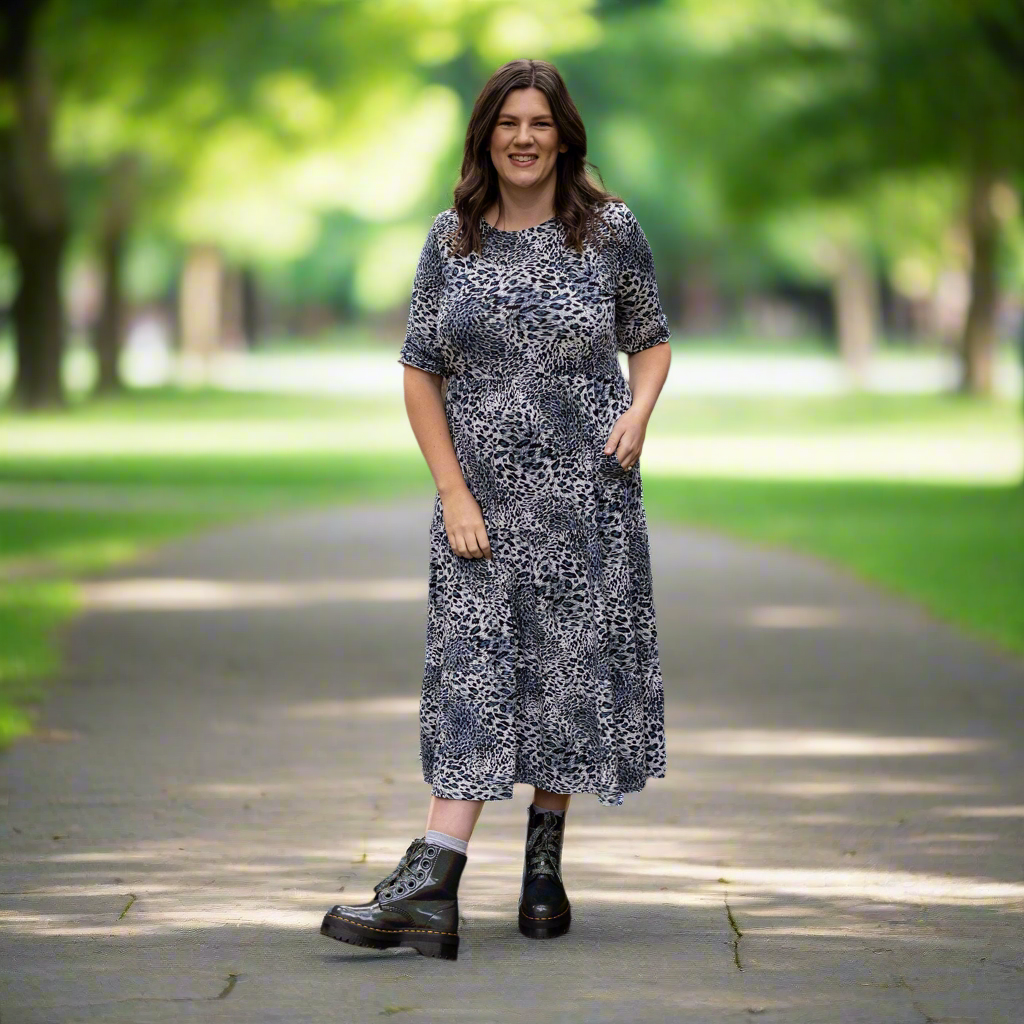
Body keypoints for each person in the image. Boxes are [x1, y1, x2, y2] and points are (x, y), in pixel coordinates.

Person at [321, 58, 672, 962]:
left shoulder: (611, 231)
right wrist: (452, 490)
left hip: (583, 497)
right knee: (474, 673)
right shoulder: (453, 238)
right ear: (486, 136)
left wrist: (637, 411)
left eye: (540, 123)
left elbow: (651, 341)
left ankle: (542, 867)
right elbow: (418, 369)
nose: (524, 137)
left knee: (564, 672)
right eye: (508, 122)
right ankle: (436, 876)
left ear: (564, 136)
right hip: (478, 500)